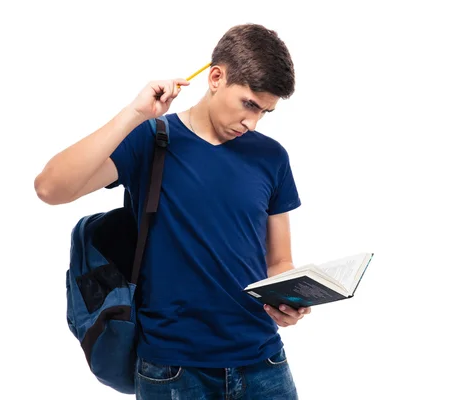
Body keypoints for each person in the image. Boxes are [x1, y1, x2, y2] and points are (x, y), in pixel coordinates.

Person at [34, 23, 310, 399]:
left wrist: (288, 301)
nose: (253, 122)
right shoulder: (152, 139)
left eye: (264, 112)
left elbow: (279, 261)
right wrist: (134, 113)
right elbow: (50, 188)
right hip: (173, 371)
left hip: (264, 363)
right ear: (216, 77)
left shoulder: (272, 157)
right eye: (249, 104)